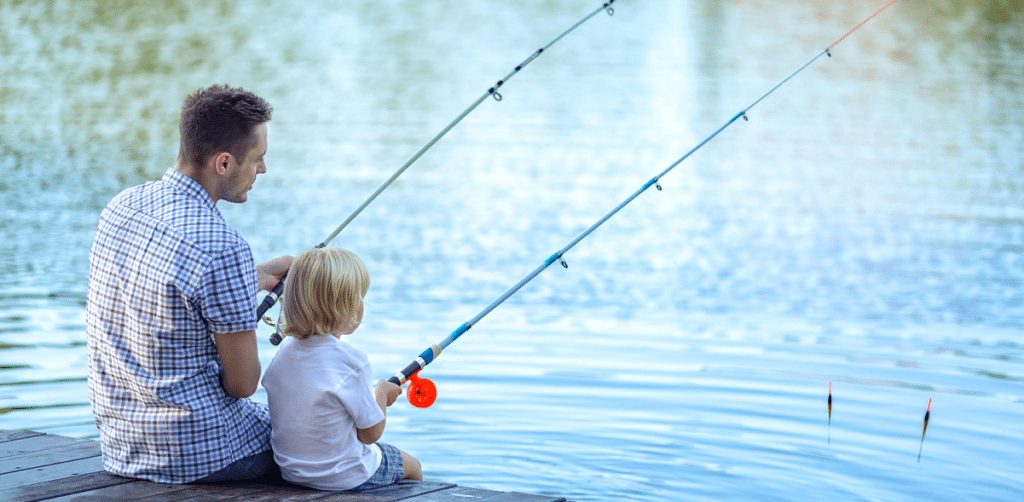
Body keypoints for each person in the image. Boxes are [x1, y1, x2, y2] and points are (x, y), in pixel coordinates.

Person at [86, 84, 292, 484]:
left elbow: (163, 291)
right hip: (198, 453)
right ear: (224, 163)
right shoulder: (223, 247)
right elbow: (242, 385)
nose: (263, 170)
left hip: (122, 446)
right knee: (329, 439)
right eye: (258, 159)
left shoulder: (122, 206)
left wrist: (255, 276)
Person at [261, 247, 423, 491]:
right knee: (413, 466)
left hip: (292, 472)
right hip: (345, 475)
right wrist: (381, 393)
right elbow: (370, 435)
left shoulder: (283, 353)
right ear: (344, 308)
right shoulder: (352, 362)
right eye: (360, 298)